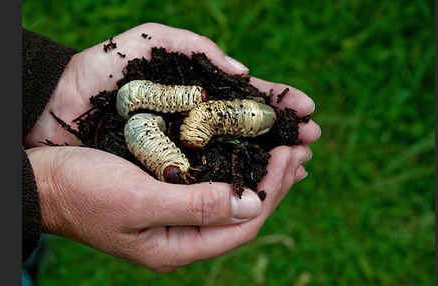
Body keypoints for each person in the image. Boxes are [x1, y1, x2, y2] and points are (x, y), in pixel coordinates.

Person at [22, 22, 321, 278]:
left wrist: (38, 82)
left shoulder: (186, 119)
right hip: (144, 118)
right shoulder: (150, 125)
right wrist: (44, 195)